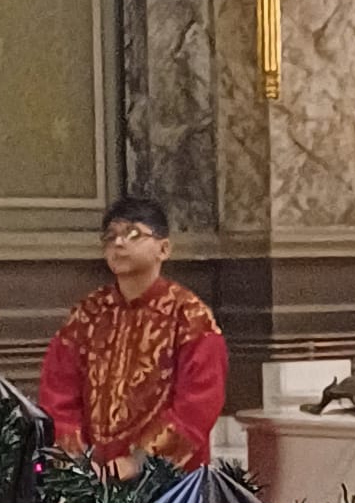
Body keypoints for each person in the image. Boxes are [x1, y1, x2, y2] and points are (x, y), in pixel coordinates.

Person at [39, 196, 228, 477]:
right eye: (111, 236)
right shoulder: (86, 316)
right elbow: (57, 392)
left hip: (165, 483)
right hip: (93, 481)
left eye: (133, 234)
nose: (118, 243)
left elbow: (198, 405)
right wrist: (78, 461)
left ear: (164, 249)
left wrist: (138, 462)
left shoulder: (190, 318)